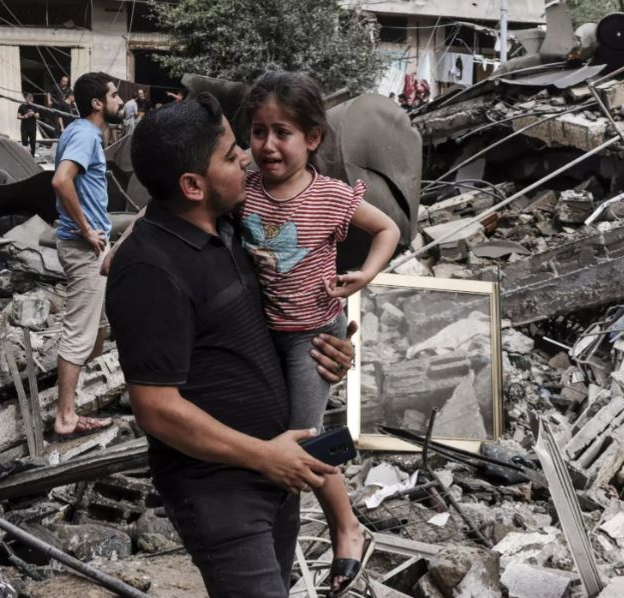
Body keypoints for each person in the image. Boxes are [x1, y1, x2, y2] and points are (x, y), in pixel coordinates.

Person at [105, 93, 357, 598]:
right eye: (229, 154)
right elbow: (156, 408)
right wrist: (264, 455)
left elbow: (284, 313)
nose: (247, 156)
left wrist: (331, 348)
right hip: (220, 490)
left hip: (277, 471)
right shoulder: (149, 270)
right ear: (193, 185)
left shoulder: (232, 225)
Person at [243, 71, 399, 595]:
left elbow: (388, 229)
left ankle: (346, 526)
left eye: (282, 132)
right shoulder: (243, 187)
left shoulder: (331, 196)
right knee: (279, 435)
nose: (268, 145)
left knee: (302, 438)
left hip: (313, 334)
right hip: (264, 332)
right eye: (258, 131)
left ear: (311, 139)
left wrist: (367, 274)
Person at [50, 72, 122, 437]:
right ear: (97, 103)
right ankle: (65, 416)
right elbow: (61, 180)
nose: (120, 101)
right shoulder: (83, 134)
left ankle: (70, 396)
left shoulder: (84, 133)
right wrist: (86, 229)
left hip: (91, 245)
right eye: (114, 95)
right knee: (80, 332)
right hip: (83, 247)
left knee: (97, 332)